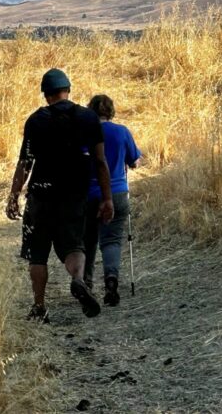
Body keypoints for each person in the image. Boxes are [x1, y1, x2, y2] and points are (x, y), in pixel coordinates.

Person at [6, 68, 114, 322]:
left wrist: (14, 195)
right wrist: (107, 198)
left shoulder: (36, 120)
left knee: (38, 252)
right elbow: (100, 161)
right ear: (68, 91)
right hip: (75, 194)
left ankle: (39, 306)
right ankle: (77, 279)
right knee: (74, 246)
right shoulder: (88, 118)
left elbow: (25, 162)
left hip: (41, 195)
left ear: (46, 95)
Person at [83, 95, 141, 306]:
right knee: (112, 240)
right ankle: (111, 280)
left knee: (87, 240)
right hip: (117, 192)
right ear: (111, 111)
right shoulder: (122, 132)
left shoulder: (85, 133)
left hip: (89, 194)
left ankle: (85, 284)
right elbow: (134, 160)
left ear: (91, 111)